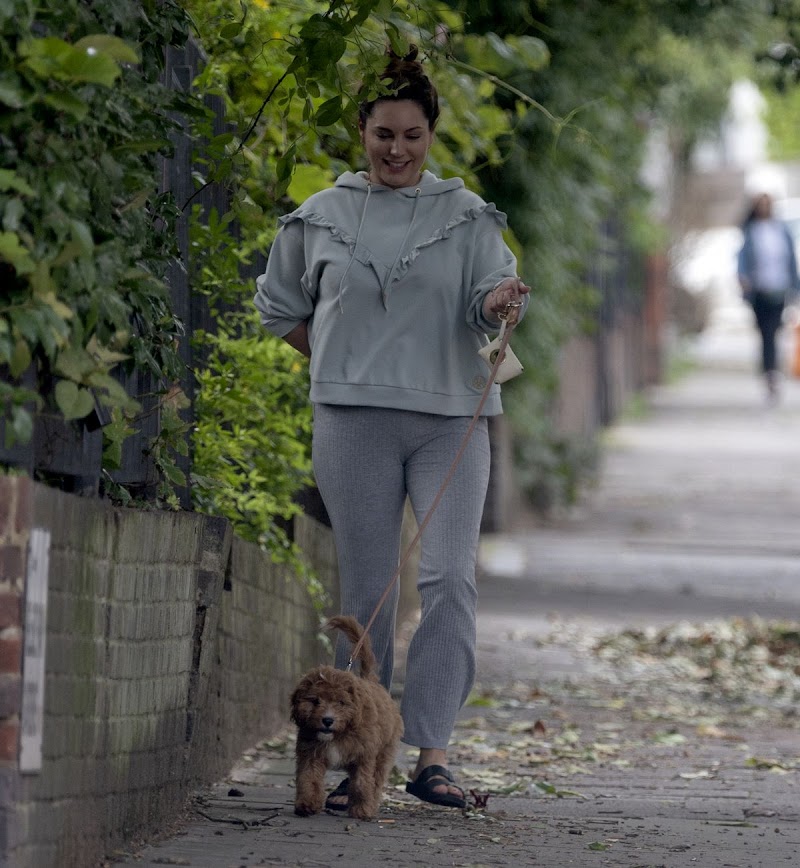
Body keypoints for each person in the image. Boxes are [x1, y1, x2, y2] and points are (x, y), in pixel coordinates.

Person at [254, 46, 530, 811]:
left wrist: (503, 298)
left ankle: (431, 754)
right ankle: (355, 759)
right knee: (367, 591)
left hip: (451, 420)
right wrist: (340, 365)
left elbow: (487, 296)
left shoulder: (469, 215)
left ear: (430, 135)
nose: (397, 149)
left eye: (411, 135)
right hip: (351, 421)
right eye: (384, 134)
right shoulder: (321, 215)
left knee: (449, 578)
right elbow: (279, 306)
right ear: (363, 132)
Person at [737, 192, 800, 403]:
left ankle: (772, 372)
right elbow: (742, 259)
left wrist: (795, 287)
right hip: (759, 291)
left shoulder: (780, 229)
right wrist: (743, 279)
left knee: (774, 331)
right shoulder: (751, 231)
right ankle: (768, 370)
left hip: (779, 288)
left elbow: (791, 260)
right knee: (764, 333)